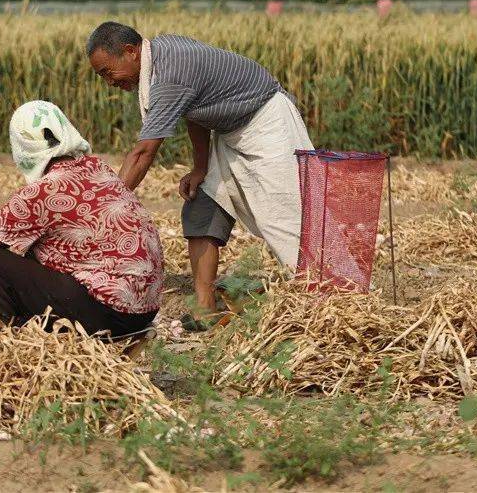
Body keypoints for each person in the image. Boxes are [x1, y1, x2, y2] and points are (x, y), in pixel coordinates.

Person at [86, 21, 314, 330]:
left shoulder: (169, 74)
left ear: (131, 51)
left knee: (284, 219)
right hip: (231, 130)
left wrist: (104, 210)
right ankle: (205, 308)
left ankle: (319, 295)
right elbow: (195, 110)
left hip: (266, 123)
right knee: (202, 206)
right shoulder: (161, 59)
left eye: (107, 72)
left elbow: (143, 153)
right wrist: (201, 168)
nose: (109, 83)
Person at [0, 100, 163, 337]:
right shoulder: (98, 170)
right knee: (30, 256)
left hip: (108, 310)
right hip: (144, 310)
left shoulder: (43, 191)